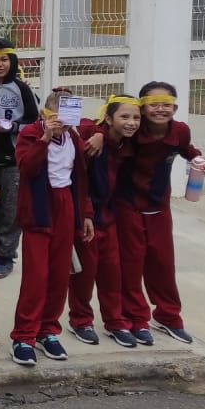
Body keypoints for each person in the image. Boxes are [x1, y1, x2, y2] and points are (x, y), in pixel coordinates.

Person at [9, 88, 93, 367]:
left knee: (59, 274)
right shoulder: (31, 133)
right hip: (39, 207)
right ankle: (23, 335)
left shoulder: (74, 135)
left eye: (69, 116)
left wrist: (85, 214)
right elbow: (27, 167)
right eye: (57, 115)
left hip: (65, 205)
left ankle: (48, 329)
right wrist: (45, 138)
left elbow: (80, 177)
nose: (63, 122)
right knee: (36, 276)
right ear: (45, 113)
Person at [116, 82, 203, 346]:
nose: (160, 109)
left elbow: (188, 150)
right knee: (131, 265)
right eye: (153, 104)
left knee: (163, 264)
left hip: (159, 206)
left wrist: (199, 159)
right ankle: (136, 319)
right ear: (142, 108)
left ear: (175, 108)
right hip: (127, 205)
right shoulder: (131, 129)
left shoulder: (180, 131)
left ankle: (168, 317)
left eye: (166, 104)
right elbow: (102, 131)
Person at [73, 95, 141, 348]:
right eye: (124, 117)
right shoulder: (93, 138)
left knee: (112, 273)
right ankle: (81, 320)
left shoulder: (128, 144)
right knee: (85, 274)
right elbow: (79, 178)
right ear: (109, 118)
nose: (132, 122)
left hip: (111, 218)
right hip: (88, 218)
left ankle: (115, 321)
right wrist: (86, 213)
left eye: (136, 117)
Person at [0, 39, 40, 280]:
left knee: (11, 209)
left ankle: (5, 255)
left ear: (12, 61)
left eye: (4, 59)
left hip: (14, 158)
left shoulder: (23, 89)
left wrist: (14, 126)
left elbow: (35, 122)